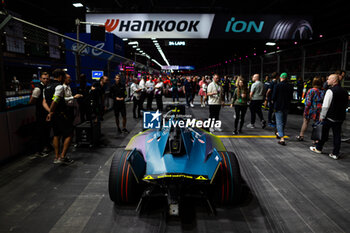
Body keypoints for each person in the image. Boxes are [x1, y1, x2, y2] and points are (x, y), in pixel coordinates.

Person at [310, 74, 349, 159]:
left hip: (330, 116)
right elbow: (346, 104)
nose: (327, 81)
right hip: (340, 117)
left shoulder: (330, 91)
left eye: (329, 79)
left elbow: (325, 105)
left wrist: (322, 116)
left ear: (334, 80)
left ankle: (318, 148)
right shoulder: (345, 91)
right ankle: (335, 153)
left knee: (323, 133)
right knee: (337, 135)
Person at [45, 69, 74, 164]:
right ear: (61, 77)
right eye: (64, 77)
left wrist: (49, 112)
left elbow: (44, 102)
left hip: (53, 115)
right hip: (61, 114)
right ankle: (62, 157)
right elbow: (55, 100)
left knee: (56, 135)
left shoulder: (47, 87)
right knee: (69, 134)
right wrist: (51, 111)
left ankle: (56, 157)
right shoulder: (59, 87)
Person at [296, 77, 325, 141]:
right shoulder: (323, 91)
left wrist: (305, 111)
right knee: (317, 124)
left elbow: (308, 102)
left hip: (310, 109)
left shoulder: (311, 90)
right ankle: (316, 139)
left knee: (305, 122)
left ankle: (301, 135)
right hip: (319, 109)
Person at [29, 72, 50, 158]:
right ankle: (38, 151)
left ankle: (46, 147)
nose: (45, 80)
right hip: (40, 113)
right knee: (40, 131)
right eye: (44, 78)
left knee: (46, 130)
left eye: (47, 78)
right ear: (40, 79)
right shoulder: (38, 89)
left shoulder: (47, 87)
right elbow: (31, 101)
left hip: (46, 112)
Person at [272, 73, 294, 146]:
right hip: (286, 106)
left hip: (278, 106)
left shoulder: (277, 86)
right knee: (284, 121)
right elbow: (291, 97)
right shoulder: (290, 86)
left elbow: (274, 97)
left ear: (280, 78)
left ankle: (282, 138)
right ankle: (279, 133)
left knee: (279, 122)